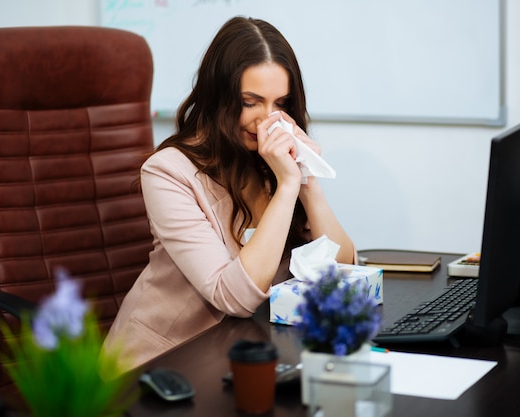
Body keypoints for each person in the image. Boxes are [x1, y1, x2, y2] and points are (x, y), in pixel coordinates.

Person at [103, 16, 356, 372]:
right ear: (218, 98)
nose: (268, 121)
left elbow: (343, 268)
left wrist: (306, 180)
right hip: (161, 365)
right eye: (251, 102)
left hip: (242, 351)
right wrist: (286, 187)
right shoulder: (168, 172)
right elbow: (233, 297)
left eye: (280, 104)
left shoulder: (270, 164)